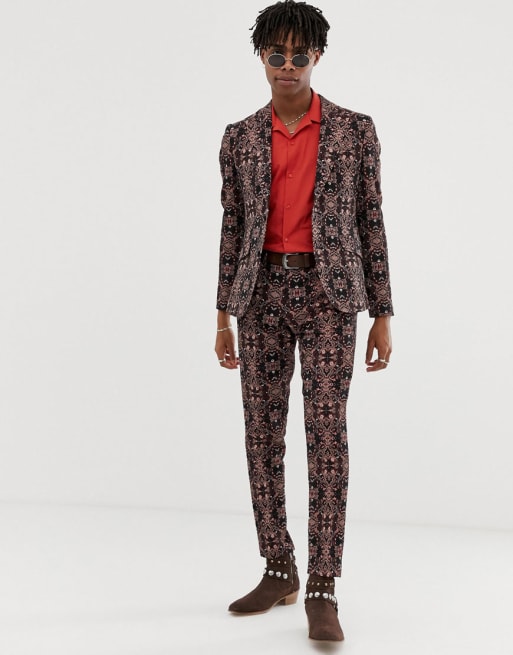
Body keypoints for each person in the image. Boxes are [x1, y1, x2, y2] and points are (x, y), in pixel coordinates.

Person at [214, 0, 393, 642]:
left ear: (317, 56)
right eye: (275, 54)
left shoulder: (354, 130)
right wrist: (222, 314)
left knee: (326, 435)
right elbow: (233, 227)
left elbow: (371, 221)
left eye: (298, 54)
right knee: (262, 436)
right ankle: (278, 567)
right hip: (259, 293)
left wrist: (383, 312)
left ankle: (322, 584)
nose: (286, 65)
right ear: (260, 57)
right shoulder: (239, 137)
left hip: (330, 294)